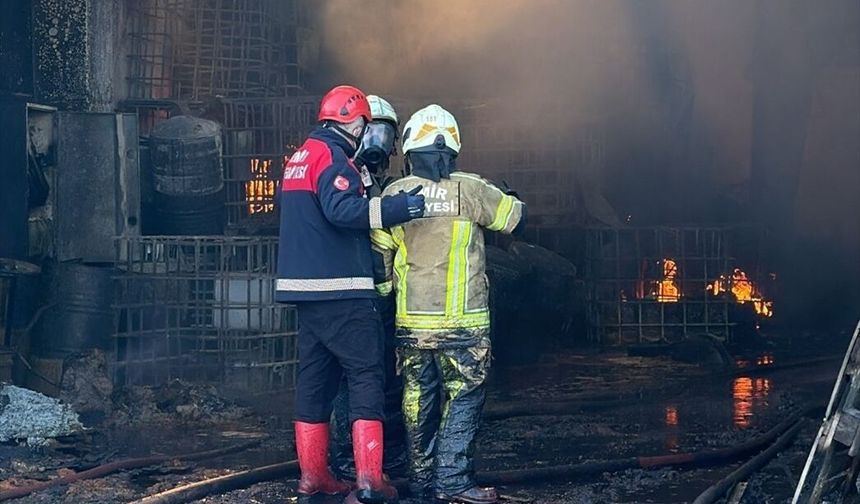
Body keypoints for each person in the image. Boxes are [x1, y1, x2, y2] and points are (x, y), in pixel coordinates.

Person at [276, 85, 425, 503]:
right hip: (342, 289)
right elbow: (341, 211)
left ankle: (313, 478)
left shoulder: (300, 156)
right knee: (366, 376)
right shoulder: (333, 157)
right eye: (366, 127)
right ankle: (369, 482)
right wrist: (397, 209)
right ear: (355, 122)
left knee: (314, 382)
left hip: (306, 291)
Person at [373, 104, 526, 503]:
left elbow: (379, 258)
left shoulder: (393, 194)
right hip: (465, 324)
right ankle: (454, 480)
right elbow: (514, 219)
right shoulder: (471, 189)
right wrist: (510, 195)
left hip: (412, 325)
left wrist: (385, 300)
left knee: (417, 399)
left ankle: (423, 483)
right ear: (453, 147)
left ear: (408, 149)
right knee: (464, 395)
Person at [331, 94, 409, 480]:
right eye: (370, 130)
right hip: (352, 291)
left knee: (386, 374)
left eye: (384, 133)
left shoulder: (389, 185)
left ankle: (384, 450)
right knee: (354, 374)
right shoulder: (339, 173)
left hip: (385, 295)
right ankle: (346, 455)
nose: (377, 141)